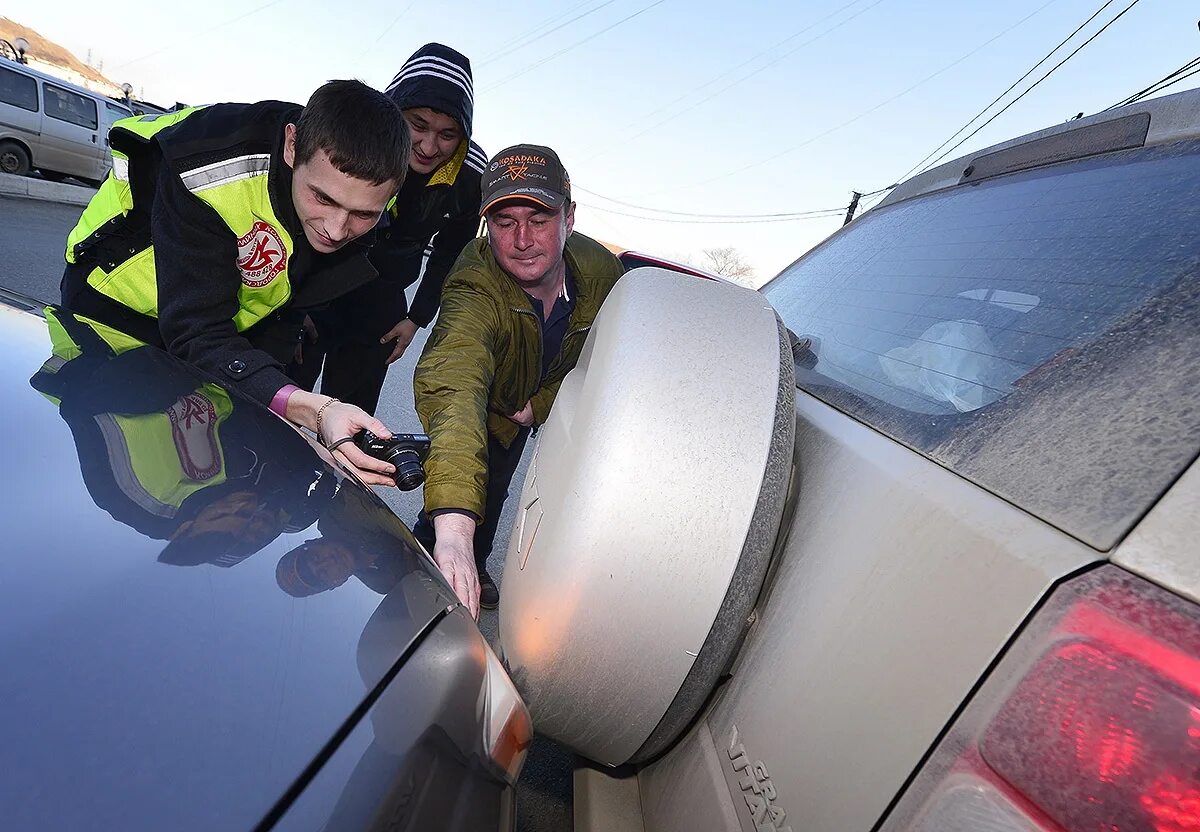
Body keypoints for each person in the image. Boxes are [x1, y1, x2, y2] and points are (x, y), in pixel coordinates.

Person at [59, 80, 409, 486]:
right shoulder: (208, 168)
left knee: (210, 439)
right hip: (116, 303)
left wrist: (284, 382)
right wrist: (310, 408)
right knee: (119, 423)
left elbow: (292, 283)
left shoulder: (373, 183)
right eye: (323, 199)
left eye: (362, 214)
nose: (336, 229)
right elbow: (197, 331)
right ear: (292, 146)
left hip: (219, 318)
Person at [412, 145, 625, 616]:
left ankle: (477, 561)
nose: (522, 239)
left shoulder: (604, 274)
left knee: (499, 482)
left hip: (531, 402)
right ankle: (429, 552)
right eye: (504, 222)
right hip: (486, 403)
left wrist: (543, 404)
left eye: (539, 218)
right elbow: (455, 381)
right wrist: (452, 534)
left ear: (570, 218)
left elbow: (612, 355)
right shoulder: (474, 281)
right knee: (461, 473)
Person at [289, 43, 487, 414]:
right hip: (315, 283)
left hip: (381, 301)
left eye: (448, 134)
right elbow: (297, 220)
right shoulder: (349, 137)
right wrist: (289, 310)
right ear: (392, 110)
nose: (430, 146)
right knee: (282, 398)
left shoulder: (470, 174)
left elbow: (450, 252)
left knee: (353, 421)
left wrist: (417, 318)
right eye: (418, 125)